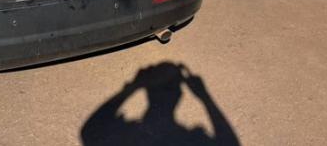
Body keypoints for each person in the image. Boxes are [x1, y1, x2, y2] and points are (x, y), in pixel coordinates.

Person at [81, 62, 239, 146]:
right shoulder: (188, 141)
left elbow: (90, 132)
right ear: (179, 95)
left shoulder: (128, 137)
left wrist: (132, 87)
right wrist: (205, 98)